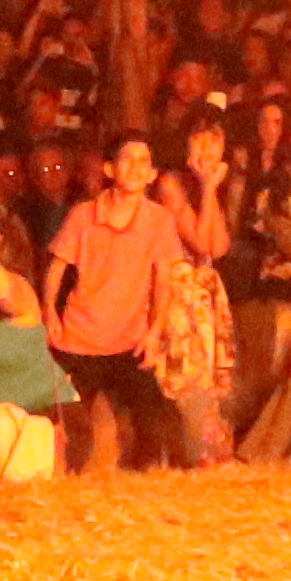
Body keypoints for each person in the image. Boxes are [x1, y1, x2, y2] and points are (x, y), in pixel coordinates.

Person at [43, 138, 198, 472]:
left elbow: (164, 280)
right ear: (110, 169)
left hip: (128, 341)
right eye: (128, 159)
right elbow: (56, 269)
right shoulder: (85, 214)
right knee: (54, 417)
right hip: (78, 339)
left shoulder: (158, 220)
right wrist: (50, 315)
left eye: (144, 162)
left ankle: (163, 479)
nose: (136, 167)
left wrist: (155, 331)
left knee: (160, 420)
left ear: (152, 174)